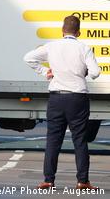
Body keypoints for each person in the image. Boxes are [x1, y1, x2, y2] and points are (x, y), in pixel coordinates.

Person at [24, 15, 101, 190]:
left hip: (56, 98)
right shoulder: (84, 48)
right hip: (77, 98)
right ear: (79, 32)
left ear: (62, 30)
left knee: (53, 139)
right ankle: (82, 181)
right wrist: (84, 72)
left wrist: (45, 72)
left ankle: (48, 180)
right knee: (80, 140)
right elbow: (95, 73)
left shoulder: (52, 46)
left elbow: (28, 58)